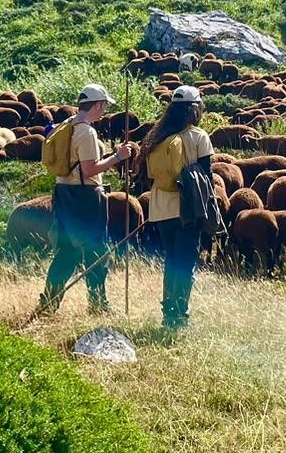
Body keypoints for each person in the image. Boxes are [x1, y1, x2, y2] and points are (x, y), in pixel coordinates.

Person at [38, 84, 135, 314]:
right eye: (104, 105)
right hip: (84, 198)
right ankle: (98, 305)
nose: (104, 110)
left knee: (66, 250)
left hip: (63, 193)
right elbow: (90, 169)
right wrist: (117, 157)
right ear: (98, 104)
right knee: (96, 251)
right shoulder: (87, 132)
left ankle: (49, 302)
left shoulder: (67, 125)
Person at [143, 84, 213, 330]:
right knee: (185, 262)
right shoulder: (198, 137)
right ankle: (179, 316)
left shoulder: (157, 137)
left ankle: (168, 313)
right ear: (195, 109)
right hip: (187, 210)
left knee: (171, 260)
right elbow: (206, 176)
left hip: (161, 208)